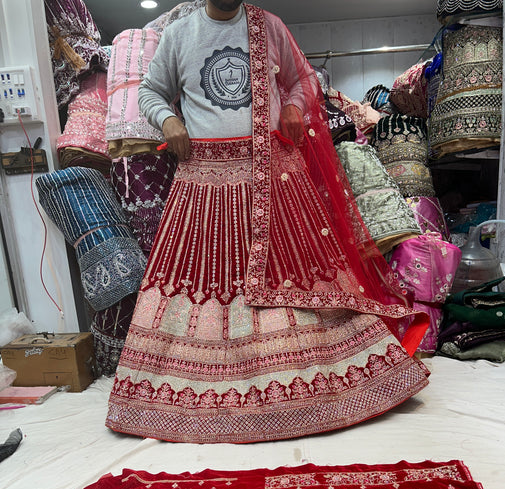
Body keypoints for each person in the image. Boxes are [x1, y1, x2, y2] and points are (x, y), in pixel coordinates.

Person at [105, 0, 430, 443]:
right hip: (205, 182)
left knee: (299, 275)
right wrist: (168, 121)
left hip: (274, 177)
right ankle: (201, 393)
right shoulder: (180, 35)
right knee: (204, 283)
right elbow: (150, 93)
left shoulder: (269, 27)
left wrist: (294, 106)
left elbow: (303, 79)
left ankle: (309, 392)